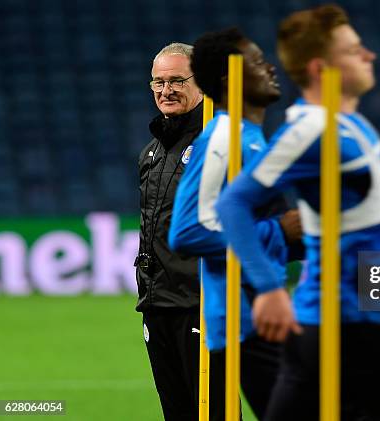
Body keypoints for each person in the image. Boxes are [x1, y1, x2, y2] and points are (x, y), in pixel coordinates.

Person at [216, 5, 380, 421]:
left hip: (337, 326)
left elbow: (362, 202)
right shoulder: (307, 132)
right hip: (341, 325)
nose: (369, 56)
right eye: (355, 50)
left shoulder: (351, 125)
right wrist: (267, 288)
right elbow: (232, 203)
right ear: (322, 68)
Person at [168, 28, 302, 421]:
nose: (271, 68)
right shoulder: (225, 137)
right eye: (258, 62)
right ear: (231, 79)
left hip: (269, 308)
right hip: (246, 316)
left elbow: (260, 227)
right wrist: (279, 231)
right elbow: (187, 231)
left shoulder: (253, 138)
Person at [135, 42, 204, 421]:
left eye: (177, 80)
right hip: (156, 305)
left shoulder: (220, 146)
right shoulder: (151, 153)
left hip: (201, 306)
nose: (166, 90)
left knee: (214, 412)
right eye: (158, 82)